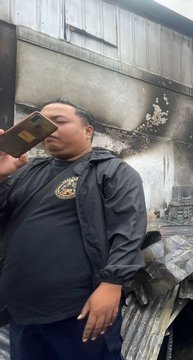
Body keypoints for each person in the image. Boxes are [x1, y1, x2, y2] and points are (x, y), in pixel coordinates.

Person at [0, 99, 147, 360]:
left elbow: (129, 229)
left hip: (79, 313)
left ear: (87, 131)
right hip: (22, 313)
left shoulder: (111, 171)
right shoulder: (24, 172)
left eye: (58, 121)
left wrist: (112, 284)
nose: (47, 129)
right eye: (41, 123)